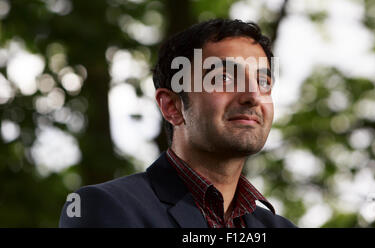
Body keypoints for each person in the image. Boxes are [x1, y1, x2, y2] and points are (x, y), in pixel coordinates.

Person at [59, 18, 296, 228]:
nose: (253, 96)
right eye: (224, 78)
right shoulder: (105, 208)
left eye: (262, 81)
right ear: (172, 107)